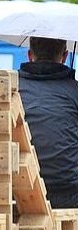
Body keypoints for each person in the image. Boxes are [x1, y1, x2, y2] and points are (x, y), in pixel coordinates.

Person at [18, 36, 78, 208]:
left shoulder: (13, 88)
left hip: (20, 190)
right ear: (65, 56)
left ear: (29, 55)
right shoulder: (74, 90)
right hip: (68, 193)